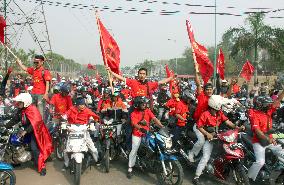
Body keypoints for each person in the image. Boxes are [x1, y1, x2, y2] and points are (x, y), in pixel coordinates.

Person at [192, 95, 243, 185]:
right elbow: (199, 126)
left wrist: (236, 127)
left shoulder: (219, 113)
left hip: (218, 137)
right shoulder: (205, 114)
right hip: (209, 139)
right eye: (219, 106)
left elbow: (227, 122)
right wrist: (207, 134)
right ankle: (196, 176)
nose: (220, 108)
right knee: (206, 157)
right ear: (214, 106)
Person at [5, 93, 53, 176]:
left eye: (19, 102)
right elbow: (14, 119)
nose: (17, 104)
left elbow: (35, 123)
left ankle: (42, 167)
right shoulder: (21, 110)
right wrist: (6, 126)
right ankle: (16, 161)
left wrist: (25, 131)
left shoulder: (32, 109)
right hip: (26, 130)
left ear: (25, 102)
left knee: (34, 148)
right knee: (13, 141)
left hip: (36, 131)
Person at [247, 90, 284, 182]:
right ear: (261, 105)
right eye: (267, 104)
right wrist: (268, 138)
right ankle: (249, 178)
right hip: (259, 142)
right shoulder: (255, 115)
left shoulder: (268, 111)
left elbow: (278, 99)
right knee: (260, 162)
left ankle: (280, 178)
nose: (269, 105)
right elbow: (257, 131)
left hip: (270, 140)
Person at [127, 96, 164, 178]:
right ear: (138, 105)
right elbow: (134, 124)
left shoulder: (147, 110)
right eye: (143, 104)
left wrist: (161, 126)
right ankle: (130, 167)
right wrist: (140, 128)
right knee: (134, 149)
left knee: (152, 146)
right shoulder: (134, 113)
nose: (145, 105)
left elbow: (154, 118)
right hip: (137, 134)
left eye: (145, 103)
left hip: (147, 133)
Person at [62, 97, 100, 170]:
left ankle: (97, 160)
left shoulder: (87, 110)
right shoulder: (72, 109)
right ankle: (66, 164)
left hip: (84, 131)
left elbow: (94, 117)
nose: (83, 106)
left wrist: (92, 121)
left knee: (93, 149)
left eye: (83, 104)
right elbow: (65, 115)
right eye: (81, 105)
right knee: (66, 150)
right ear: (77, 105)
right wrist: (63, 120)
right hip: (73, 131)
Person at [187, 62, 214, 162]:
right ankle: (191, 153)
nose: (209, 91)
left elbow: (227, 97)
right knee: (201, 141)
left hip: (209, 124)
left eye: (211, 89)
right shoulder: (201, 95)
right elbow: (198, 83)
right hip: (198, 123)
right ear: (204, 90)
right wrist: (196, 70)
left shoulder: (214, 99)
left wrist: (231, 85)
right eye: (207, 89)